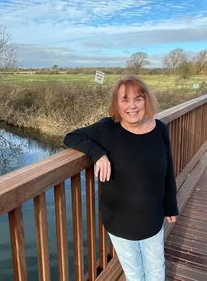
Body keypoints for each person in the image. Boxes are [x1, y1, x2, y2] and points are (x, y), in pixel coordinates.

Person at [64, 75, 179, 281]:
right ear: (116, 104)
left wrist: (171, 207)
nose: (132, 106)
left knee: (155, 267)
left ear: (147, 101)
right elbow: (71, 137)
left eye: (138, 99)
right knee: (134, 272)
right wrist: (97, 153)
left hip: (152, 216)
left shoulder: (160, 129)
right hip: (119, 220)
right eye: (125, 100)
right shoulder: (107, 128)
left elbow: (168, 170)